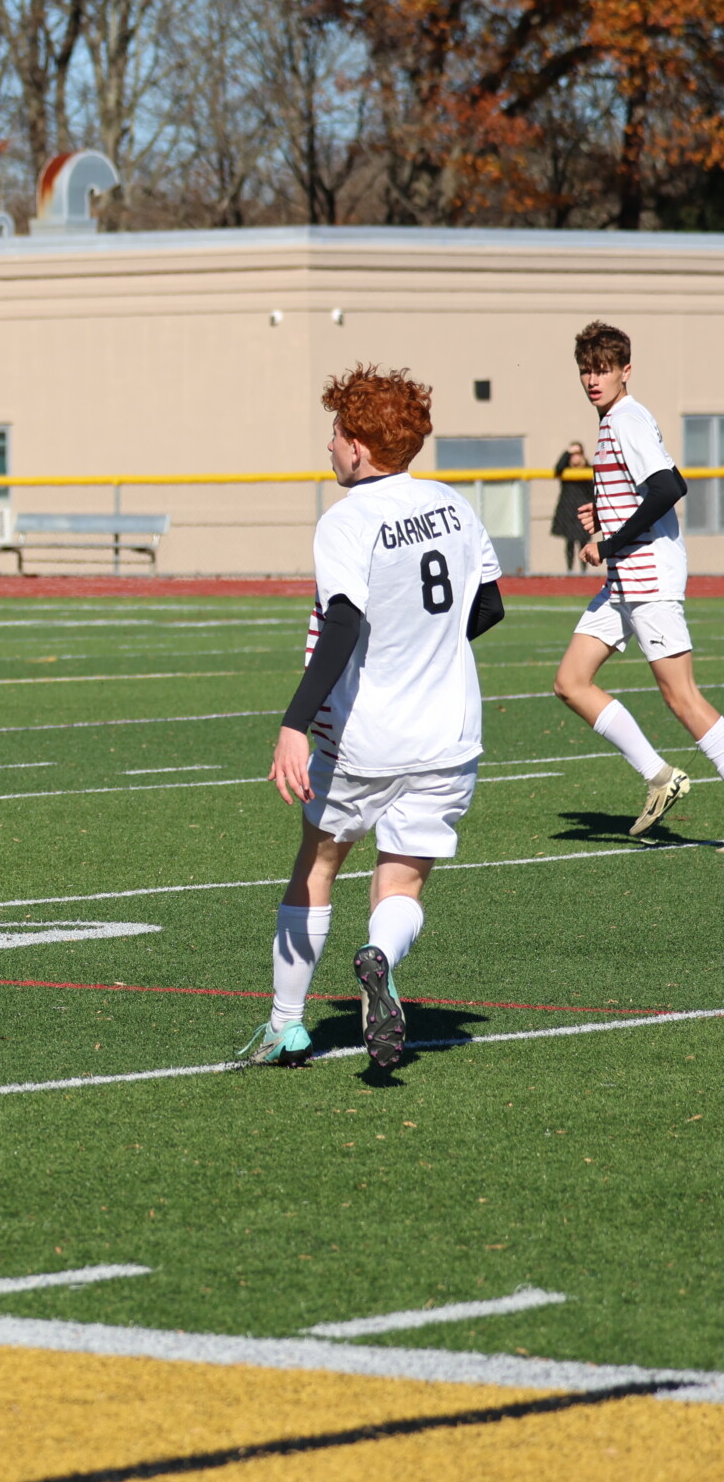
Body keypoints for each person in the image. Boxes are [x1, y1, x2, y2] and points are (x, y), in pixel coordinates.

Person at [246, 367, 504, 1071]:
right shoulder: (454, 504)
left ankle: (286, 1025)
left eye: (335, 432)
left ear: (358, 448)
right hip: (449, 734)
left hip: (364, 737)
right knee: (403, 882)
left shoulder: (346, 520)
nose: (329, 445)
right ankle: (381, 957)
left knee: (319, 861)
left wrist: (293, 721)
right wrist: (425, 646)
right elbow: (487, 608)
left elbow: (342, 623)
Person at [550, 320, 724, 836]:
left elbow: (670, 487)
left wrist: (610, 541)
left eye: (603, 369)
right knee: (570, 682)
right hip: (624, 581)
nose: (592, 379)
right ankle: (658, 775)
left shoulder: (626, 418)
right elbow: (647, 495)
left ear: (626, 371)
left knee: (683, 699)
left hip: (648, 579)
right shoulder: (612, 422)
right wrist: (605, 520)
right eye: (585, 369)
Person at [550, 440, 593, 571]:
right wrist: (566, 453)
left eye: (578, 453)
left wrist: (584, 464)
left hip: (583, 509)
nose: (575, 456)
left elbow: (592, 487)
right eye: (572, 454)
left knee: (583, 542)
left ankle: (584, 571)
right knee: (569, 542)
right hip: (568, 509)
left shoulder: (587, 470)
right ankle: (570, 571)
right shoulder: (566, 469)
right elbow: (557, 469)